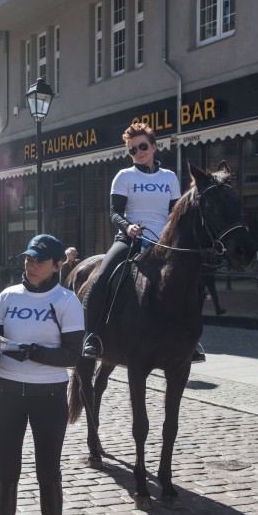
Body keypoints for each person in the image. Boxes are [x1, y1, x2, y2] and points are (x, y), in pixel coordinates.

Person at [0, 233, 84, 515]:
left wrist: (34, 352)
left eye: (39, 260)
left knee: (48, 472)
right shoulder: (8, 296)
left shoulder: (66, 301)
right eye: (28, 258)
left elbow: (72, 355)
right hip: (6, 392)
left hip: (48, 396)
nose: (31, 264)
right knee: (6, 472)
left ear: (57, 265)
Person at [82, 123, 181, 358]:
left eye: (143, 146)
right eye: (132, 150)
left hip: (163, 242)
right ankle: (92, 336)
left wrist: (169, 235)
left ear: (154, 147)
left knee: (191, 279)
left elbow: (175, 213)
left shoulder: (169, 177)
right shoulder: (124, 176)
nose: (138, 152)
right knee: (102, 278)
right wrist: (129, 227)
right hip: (129, 240)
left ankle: (189, 339)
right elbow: (115, 212)